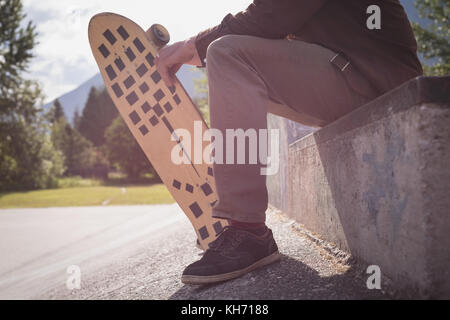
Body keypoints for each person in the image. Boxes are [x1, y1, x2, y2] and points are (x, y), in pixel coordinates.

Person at [155, 0, 422, 285]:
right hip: (355, 77)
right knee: (233, 67)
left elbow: (271, 15)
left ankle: (247, 228)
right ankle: (241, 222)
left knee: (226, 53)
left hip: (375, 81)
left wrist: (188, 48)